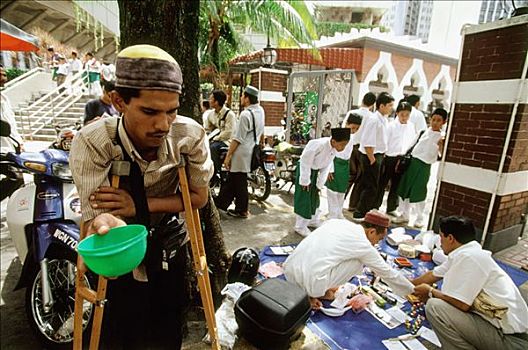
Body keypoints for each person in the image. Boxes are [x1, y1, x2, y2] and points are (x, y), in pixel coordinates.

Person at [69, 44, 213, 349]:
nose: (163, 124)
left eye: (171, 111)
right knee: (118, 332)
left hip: (168, 247)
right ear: (119, 101)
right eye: (149, 111)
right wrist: (103, 220)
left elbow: (198, 197)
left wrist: (139, 205)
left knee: (167, 332)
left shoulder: (189, 136)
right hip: (119, 253)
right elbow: (97, 211)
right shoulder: (93, 141)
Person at [412, 216, 528, 349]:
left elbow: (462, 304)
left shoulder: (470, 257)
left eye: (441, 236)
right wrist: (405, 284)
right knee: (439, 301)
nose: (440, 241)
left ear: (450, 238)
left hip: (511, 340)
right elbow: (433, 274)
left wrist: (430, 292)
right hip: (501, 330)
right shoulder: (465, 252)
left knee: (435, 307)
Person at [284, 211, 414, 309]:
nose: (376, 244)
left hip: (289, 271)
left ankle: (315, 289)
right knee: (359, 262)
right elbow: (387, 273)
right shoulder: (363, 245)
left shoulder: (337, 222)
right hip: (310, 284)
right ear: (372, 232)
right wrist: (413, 291)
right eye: (378, 240)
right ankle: (316, 292)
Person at [214, 85, 264, 218]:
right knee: (234, 180)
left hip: (241, 153)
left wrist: (228, 156)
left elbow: (237, 139)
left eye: (242, 96)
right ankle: (221, 204)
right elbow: (261, 132)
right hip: (252, 149)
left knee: (239, 181)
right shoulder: (260, 111)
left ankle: (242, 209)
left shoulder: (245, 114)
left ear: (247, 98)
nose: (241, 98)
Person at [293, 128, 350, 237]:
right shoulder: (318, 144)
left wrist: (320, 183)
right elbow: (305, 160)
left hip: (316, 171)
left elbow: (326, 166)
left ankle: (312, 220)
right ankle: (300, 226)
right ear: (333, 141)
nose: (343, 148)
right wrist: (305, 180)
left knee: (314, 196)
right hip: (306, 170)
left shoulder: (333, 149)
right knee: (304, 198)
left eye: (345, 145)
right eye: (342, 145)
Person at [396, 108, 447, 228]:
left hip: (424, 166)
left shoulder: (442, 137)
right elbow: (411, 146)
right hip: (412, 163)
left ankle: (419, 217)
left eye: (438, 120)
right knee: (405, 189)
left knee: (419, 191)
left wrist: (441, 145)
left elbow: (442, 155)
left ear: (444, 122)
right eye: (433, 119)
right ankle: (404, 214)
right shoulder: (423, 132)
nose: (435, 122)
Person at [354, 92, 394, 220]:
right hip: (371, 155)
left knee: (374, 185)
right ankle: (360, 212)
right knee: (370, 186)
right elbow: (367, 141)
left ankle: (369, 210)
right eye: (389, 105)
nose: (391, 108)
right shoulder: (373, 120)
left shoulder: (384, 120)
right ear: (381, 106)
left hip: (378, 155)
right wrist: (372, 159)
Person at [375, 101, 415, 216]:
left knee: (396, 185)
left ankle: (391, 208)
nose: (404, 117)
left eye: (407, 115)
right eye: (402, 114)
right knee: (382, 183)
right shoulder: (391, 125)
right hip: (389, 157)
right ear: (397, 113)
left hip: (402, 158)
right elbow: (385, 141)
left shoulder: (411, 126)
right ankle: (375, 206)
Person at [325, 113, 362, 220]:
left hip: (345, 166)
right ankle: (332, 214)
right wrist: (329, 169)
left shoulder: (353, 137)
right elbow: (329, 152)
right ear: (346, 123)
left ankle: (338, 212)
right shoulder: (338, 134)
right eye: (353, 127)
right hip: (335, 164)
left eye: (357, 128)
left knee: (342, 191)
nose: (354, 130)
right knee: (332, 192)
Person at [344, 92, 376, 213]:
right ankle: (352, 205)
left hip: (349, 145)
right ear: (373, 104)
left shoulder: (351, 113)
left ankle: (341, 199)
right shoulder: (371, 117)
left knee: (349, 175)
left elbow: (344, 128)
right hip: (362, 149)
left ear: (362, 100)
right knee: (359, 178)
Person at [1, 65, 24, 199]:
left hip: (11, 147)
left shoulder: (4, 98)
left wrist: (19, 141)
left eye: (4, 74)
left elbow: (11, 123)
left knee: (19, 182)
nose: (4, 78)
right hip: (1, 149)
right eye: (1, 75)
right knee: (15, 177)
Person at [208, 90, 237, 174]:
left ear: (216, 102)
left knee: (212, 148)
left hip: (227, 141)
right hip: (216, 139)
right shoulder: (211, 114)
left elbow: (228, 133)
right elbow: (208, 129)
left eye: (211, 99)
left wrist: (215, 138)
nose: (209, 101)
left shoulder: (229, 114)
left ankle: (216, 172)